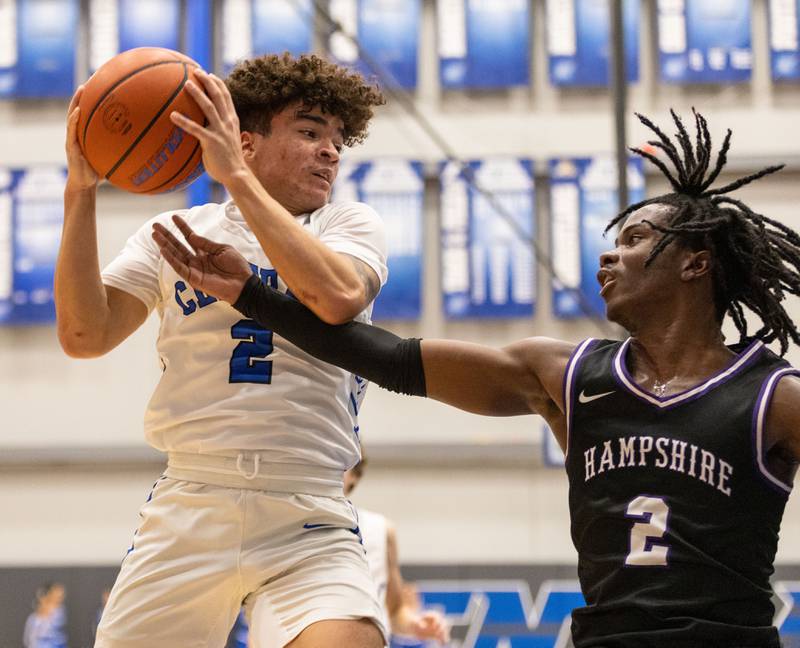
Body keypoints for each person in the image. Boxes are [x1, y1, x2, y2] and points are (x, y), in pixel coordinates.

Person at [152, 109, 800, 647]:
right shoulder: (564, 374)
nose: (611, 252)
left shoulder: (775, 398)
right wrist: (252, 294)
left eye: (634, 238)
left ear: (696, 264)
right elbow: (392, 358)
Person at [57, 53, 389, 648]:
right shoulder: (177, 231)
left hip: (307, 503)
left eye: (339, 139)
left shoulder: (348, 225)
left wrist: (236, 176)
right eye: (310, 131)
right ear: (245, 140)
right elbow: (85, 335)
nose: (331, 150)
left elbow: (336, 296)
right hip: (193, 496)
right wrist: (80, 192)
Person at [344, 458, 450, 645]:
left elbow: (395, 610)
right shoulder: (288, 524)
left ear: (355, 474)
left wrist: (415, 623)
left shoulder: (380, 529)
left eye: (340, 463)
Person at [23, 582, 67, 648]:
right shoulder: (33, 619)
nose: (59, 598)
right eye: (56, 595)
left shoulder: (59, 612)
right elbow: (29, 640)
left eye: (61, 596)